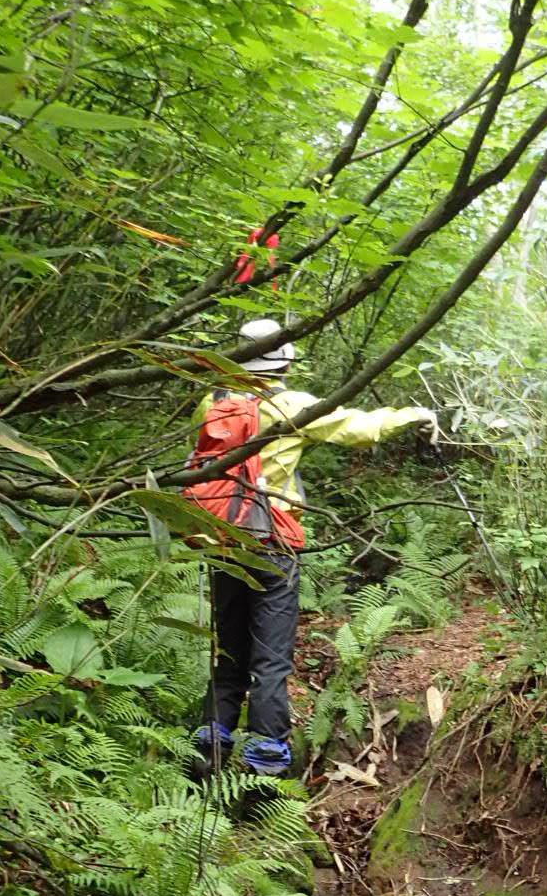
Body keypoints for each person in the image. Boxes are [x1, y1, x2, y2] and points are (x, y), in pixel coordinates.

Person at [185, 318, 437, 781]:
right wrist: (412, 415)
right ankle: (265, 774)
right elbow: (358, 428)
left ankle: (205, 761)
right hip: (273, 542)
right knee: (271, 660)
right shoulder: (290, 405)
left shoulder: (214, 401)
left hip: (222, 541)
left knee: (230, 655)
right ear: (284, 360)